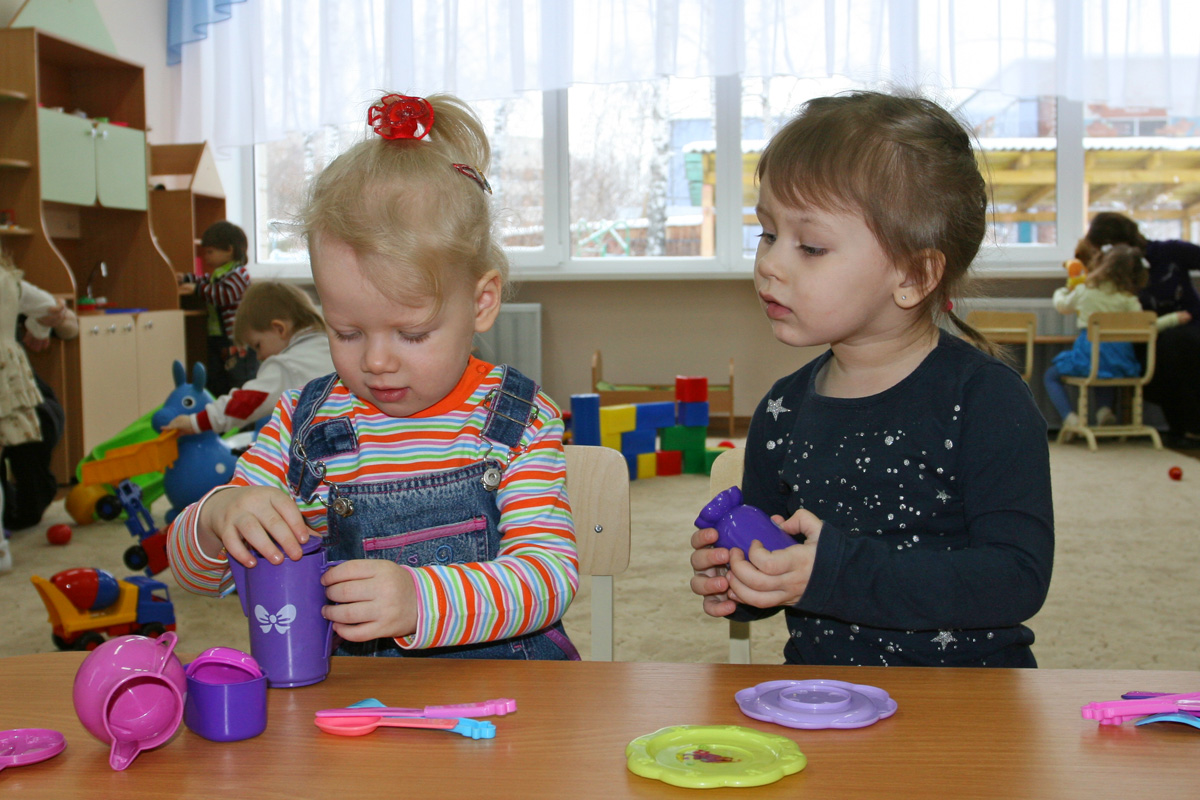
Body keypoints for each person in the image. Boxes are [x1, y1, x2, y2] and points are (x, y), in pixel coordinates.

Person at [167, 92, 578, 660]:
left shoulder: (518, 420)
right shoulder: (302, 426)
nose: (376, 362)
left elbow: (548, 578)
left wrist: (421, 601)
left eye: (412, 334)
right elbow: (197, 575)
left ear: (481, 302)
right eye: (346, 332)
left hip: (504, 694)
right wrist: (217, 517)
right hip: (352, 702)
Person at [689, 91, 1054, 668]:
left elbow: (1016, 579)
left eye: (811, 246)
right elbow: (787, 570)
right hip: (820, 700)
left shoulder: (986, 400)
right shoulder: (783, 410)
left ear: (913, 276)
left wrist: (834, 573)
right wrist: (745, 580)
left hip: (967, 700)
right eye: (767, 233)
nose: (770, 264)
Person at [1044, 243, 1191, 431]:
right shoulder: (1128, 300)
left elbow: (1062, 306)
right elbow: (1147, 327)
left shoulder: (1084, 292)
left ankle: (1069, 417)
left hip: (1089, 357)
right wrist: (1173, 319)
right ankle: (1104, 410)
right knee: (1105, 370)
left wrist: (1063, 291)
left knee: (1051, 375)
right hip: (1119, 361)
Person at [1083, 211, 1200, 446]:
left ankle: (1189, 429)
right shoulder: (1111, 269)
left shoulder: (1169, 252)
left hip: (1190, 327)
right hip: (1147, 336)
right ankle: (1183, 428)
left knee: (1180, 344)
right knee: (1162, 348)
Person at [162, 281, 334, 436]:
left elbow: (246, 403)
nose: (259, 356)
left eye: (258, 345)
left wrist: (195, 422)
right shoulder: (331, 344)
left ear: (280, 329)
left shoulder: (287, 366)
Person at [0, 253, 79, 571]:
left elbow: (66, 321)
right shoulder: (10, 282)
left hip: (24, 401)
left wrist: (47, 324)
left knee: (24, 506)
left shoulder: (12, 284)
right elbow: (47, 306)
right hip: (12, 391)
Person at [179, 220, 258, 397]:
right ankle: (219, 405)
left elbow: (223, 295)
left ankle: (241, 408)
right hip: (218, 337)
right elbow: (206, 280)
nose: (205, 257)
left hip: (236, 340)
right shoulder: (221, 274)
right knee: (216, 377)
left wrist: (197, 289)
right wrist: (186, 279)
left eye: (210, 252)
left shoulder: (238, 274)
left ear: (229, 250)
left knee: (239, 378)